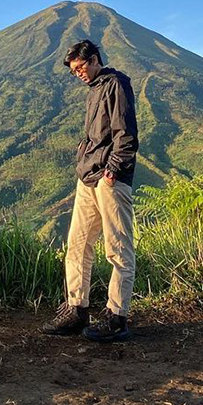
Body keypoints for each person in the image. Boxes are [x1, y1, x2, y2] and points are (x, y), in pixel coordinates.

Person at [41, 39, 138, 342]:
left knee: (118, 249)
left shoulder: (116, 85)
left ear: (95, 59)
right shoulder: (95, 89)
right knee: (77, 246)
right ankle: (76, 309)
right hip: (88, 178)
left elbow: (126, 133)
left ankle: (117, 317)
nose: (79, 74)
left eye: (81, 67)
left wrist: (113, 169)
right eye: (74, 71)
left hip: (109, 179)